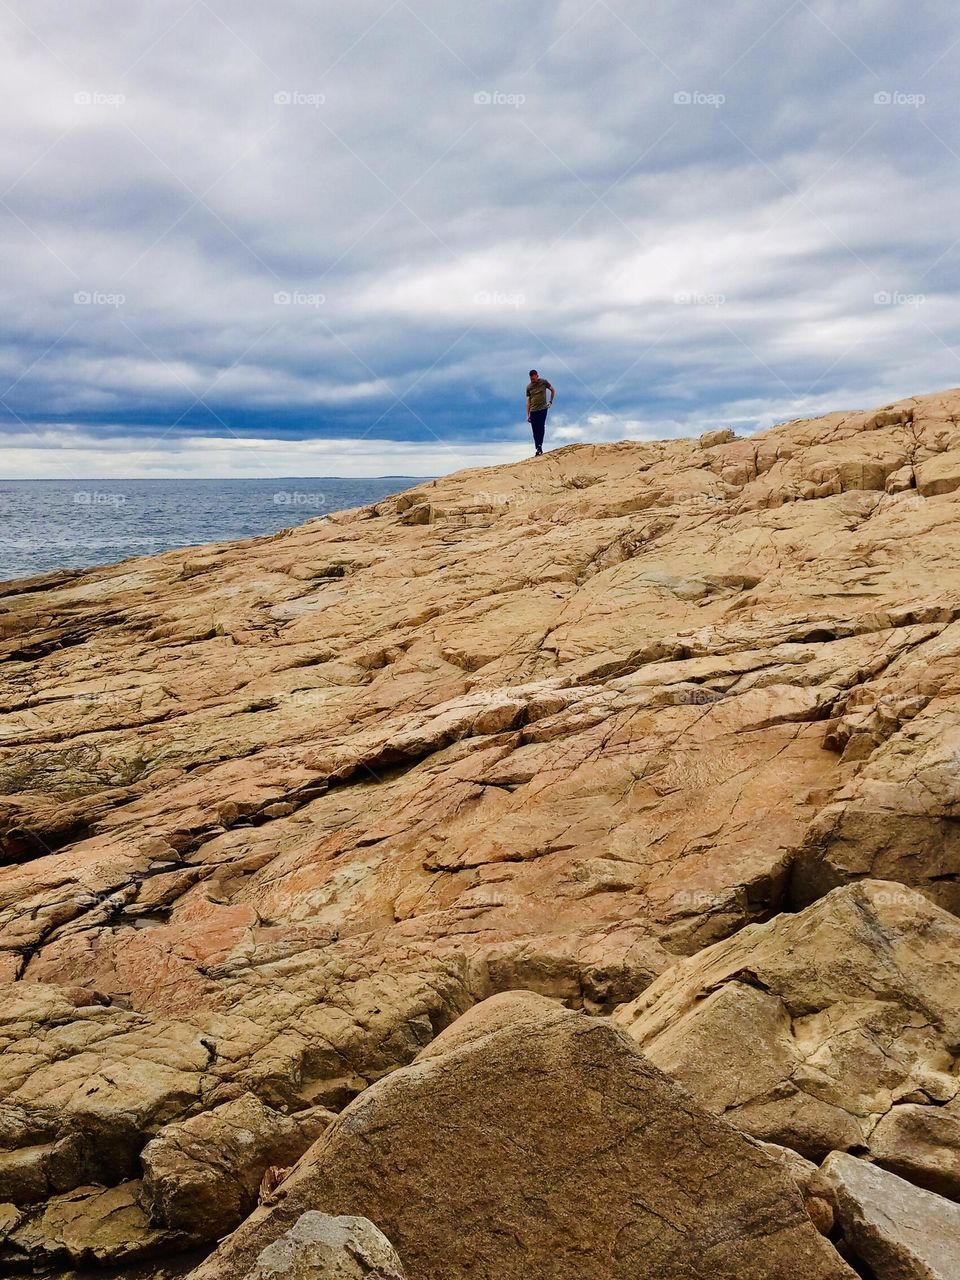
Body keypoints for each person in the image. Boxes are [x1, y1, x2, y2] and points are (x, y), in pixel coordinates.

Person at [525, 369, 555, 456]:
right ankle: (538, 447)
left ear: (537, 376)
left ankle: (539, 446)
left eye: (534, 379)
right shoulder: (529, 387)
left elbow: (553, 390)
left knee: (541, 427)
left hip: (543, 409)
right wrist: (528, 415)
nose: (533, 381)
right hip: (533, 410)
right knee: (535, 430)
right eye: (531, 379)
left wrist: (550, 401)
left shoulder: (544, 382)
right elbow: (528, 401)